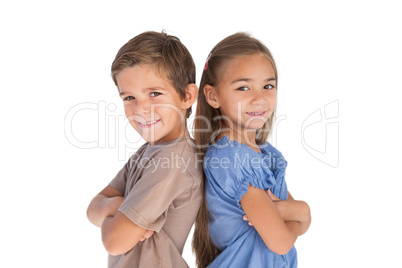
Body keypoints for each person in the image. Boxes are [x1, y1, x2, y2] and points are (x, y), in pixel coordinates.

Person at [192, 32, 311, 268]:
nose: (259, 98)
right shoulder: (233, 160)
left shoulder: (266, 155)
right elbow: (281, 243)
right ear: (212, 96)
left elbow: (298, 225)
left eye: (268, 86)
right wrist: (300, 212)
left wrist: (298, 212)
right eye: (244, 88)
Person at [86, 31, 203, 268]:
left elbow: (115, 241)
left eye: (155, 94)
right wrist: (116, 208)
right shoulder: (149, 152)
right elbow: (93, 208)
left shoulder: (173, 161)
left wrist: (114, 215)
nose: (141, 109)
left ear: (187, 96)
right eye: (129, 97)